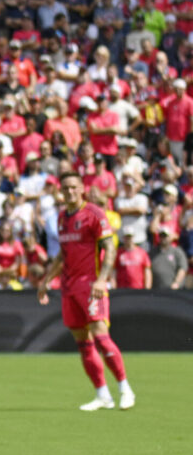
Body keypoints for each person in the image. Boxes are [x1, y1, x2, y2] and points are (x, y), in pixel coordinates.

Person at [37, 171, 136, 411]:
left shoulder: (94, 214)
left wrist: (102, 279)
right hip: (69, 287)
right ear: (61, 191)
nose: (70, 191)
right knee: (83, 342)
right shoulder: (61, 218)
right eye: (66, 188)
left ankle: (125, 388)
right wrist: (47, 279)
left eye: (74, 187)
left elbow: (109, 248)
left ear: (82, 188)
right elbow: (63, 253)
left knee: (101, 337)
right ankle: (102, 394)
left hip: (91, 284)